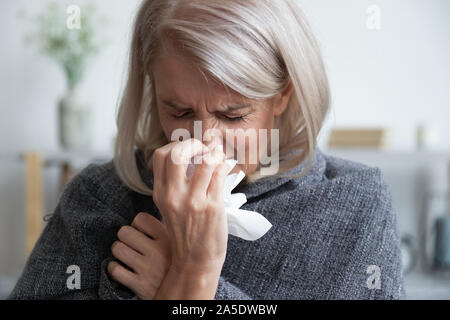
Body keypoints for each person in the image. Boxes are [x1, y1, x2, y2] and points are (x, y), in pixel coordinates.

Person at [9, 0, 405, 299]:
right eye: (179, 111)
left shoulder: (357, 202)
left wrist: (194, 276)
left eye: (233, 115)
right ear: (151, 90)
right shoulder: (98, 197)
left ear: (282, 95)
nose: (204, 141)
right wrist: (189, 281)